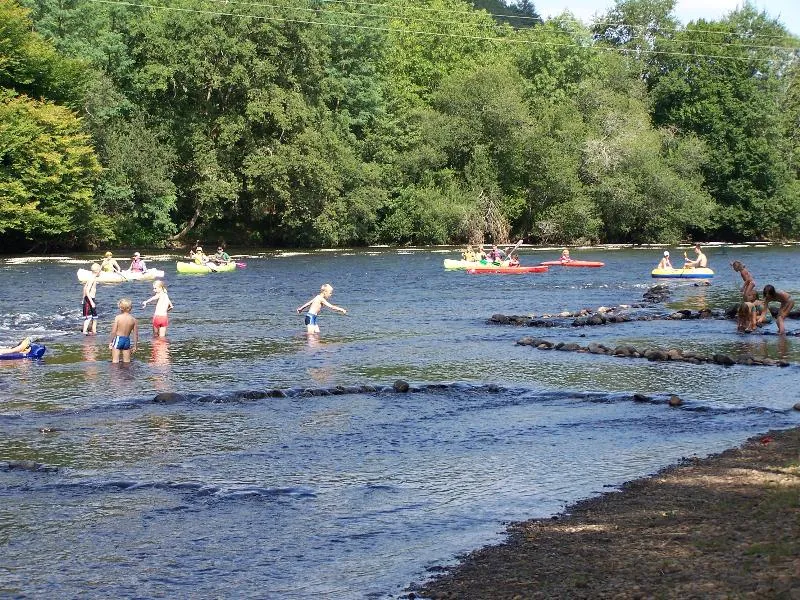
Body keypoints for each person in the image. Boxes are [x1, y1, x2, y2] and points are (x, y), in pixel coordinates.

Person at [108, 298, 138, 363]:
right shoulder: (133, 319)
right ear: (130, 308)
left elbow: (113, 331)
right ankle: (126, 373)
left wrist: (110, 342)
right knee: (127, 362)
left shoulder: (118, 318)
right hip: (127, 340)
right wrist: (135, 345)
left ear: (121, 308)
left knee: (115, 362)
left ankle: (116, 373)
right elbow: (135, 334)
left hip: (118, 339)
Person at [82, 263, 101, 335]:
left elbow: (84, 288)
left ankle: (94, 331)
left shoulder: (92, 278)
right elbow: (86, 290)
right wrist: (91, 302)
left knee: (95, 317)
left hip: (90, 299)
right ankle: (84, 331)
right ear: (98, 271)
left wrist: (82, 298)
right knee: (88, 317)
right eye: (100, 271)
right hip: (89, 300)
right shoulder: (92, 279)